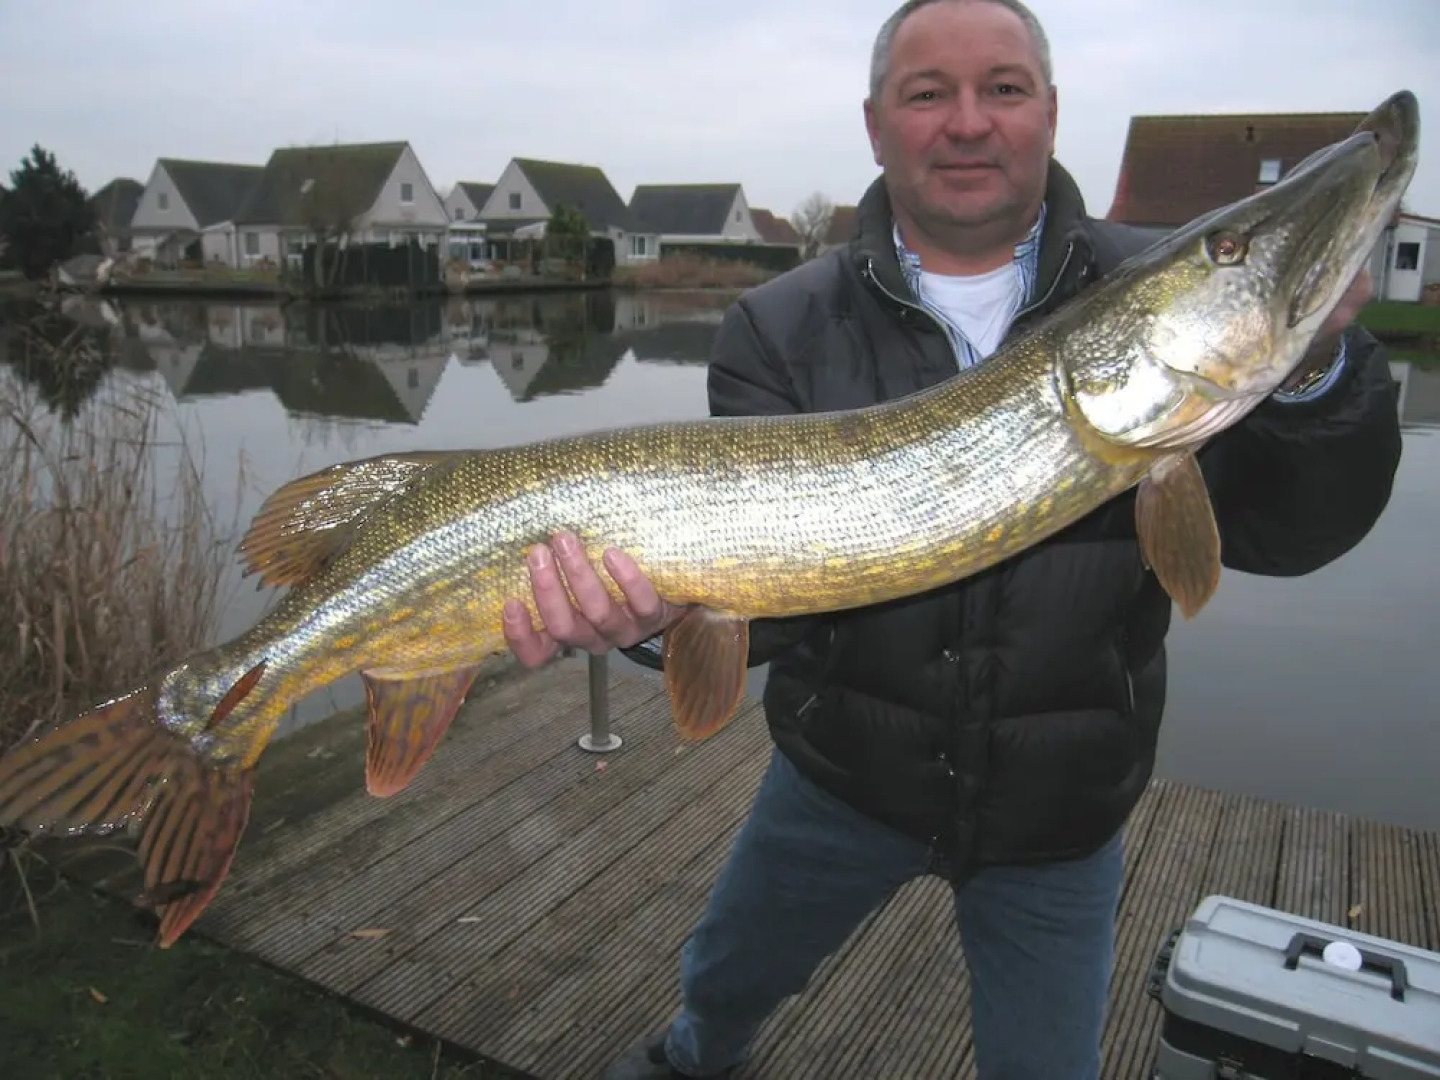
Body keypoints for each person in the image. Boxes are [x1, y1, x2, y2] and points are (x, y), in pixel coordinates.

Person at [500, 1, 1404, 1076]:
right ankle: (699, 1049)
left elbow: (1299, 532)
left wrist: (1306, 366)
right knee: (728, 972)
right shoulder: (778, 326)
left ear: (1051, 115)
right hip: (843, 773)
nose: (967, 122)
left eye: (1004, 89)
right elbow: (764, 600)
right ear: (878, 125)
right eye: (929, 93)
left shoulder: (1141, 287)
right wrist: (653, 620)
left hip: (1059, 809)